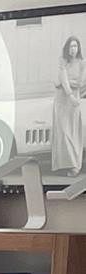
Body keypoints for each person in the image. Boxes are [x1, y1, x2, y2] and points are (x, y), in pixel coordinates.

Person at [52, 31, 86, 176]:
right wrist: (69, 90)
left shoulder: (82, 63)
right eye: (71, 46)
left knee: (73, 132)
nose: (73, 49)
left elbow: (80, 82)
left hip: (74, 100)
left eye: (76, 46)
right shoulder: (62, 61)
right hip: (62, 99)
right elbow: (61, 79)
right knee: (63, 132)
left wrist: (69, 88)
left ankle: (75, 166)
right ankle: (63, 164)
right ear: (67, 48)